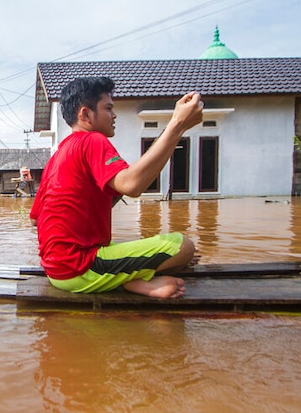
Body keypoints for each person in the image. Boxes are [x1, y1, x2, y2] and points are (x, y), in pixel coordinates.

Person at [29, 76, 203, 299]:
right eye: (108, 108)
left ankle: (134, 280)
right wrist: (177, 124)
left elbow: (36, 219)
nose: (114, 115)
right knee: (183, 247)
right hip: (80, 269)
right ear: (85, 114)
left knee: (156, 249)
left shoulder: (57, 157)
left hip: (55, 271)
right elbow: (132, 184)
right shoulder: (92, 140)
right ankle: (131, 282)